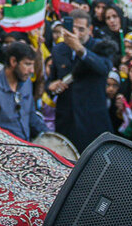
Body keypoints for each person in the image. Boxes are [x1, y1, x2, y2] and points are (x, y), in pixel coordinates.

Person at [49, 8, 113, 155]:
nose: (77, 33)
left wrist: (79, 48)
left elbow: (103, 68)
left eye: (81, 29)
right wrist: (52, 86)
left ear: (90, 29)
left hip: (92, 119)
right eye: (73, 28)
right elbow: (52, 80)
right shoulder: (59, 50)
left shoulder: (100, 46)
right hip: (67, 118)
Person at [0, 41, 48, 142]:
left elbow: (31, 116)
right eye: (27, 64)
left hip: (25, 147)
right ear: (13, 61)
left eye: (32, 65)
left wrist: (51, 138)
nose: (31, 71)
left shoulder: (26, 83)